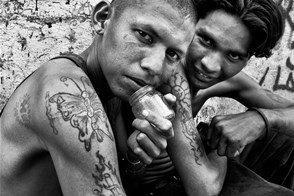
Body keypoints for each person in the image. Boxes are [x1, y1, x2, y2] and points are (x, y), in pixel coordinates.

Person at [0, 0, 199, 195]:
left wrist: (135, 158)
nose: (155, 66)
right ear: (102, 18)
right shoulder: (68, 91)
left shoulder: (112, 90)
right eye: (144, 36)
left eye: (172, 54)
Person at [121, 0, 294, 195]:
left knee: (286, 139)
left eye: (233, 56)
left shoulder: (230, 81)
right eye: (206, 40)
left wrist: (261, 120)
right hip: (151, 187)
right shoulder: (171, 76)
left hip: (188, 172)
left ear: (248, 59)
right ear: (190, 23)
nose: (210, 65)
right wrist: (217, 147)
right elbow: (203, 189)